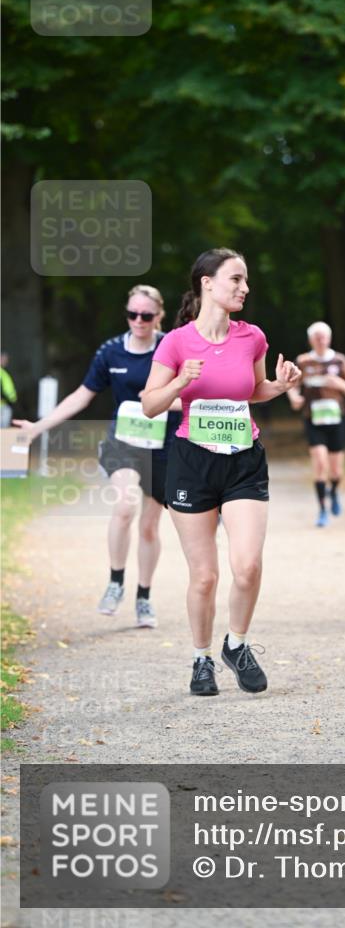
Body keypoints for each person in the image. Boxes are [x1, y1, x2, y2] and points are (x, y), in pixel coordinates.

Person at [142, 248, 300, 697]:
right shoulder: (175, 342)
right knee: (205, 576)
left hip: (243, 458)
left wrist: (282, 386)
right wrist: (178, 382)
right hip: (192, 461)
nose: (244, 288)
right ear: (207, 283)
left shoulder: (252, 338)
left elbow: (253, 391)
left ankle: (237, 643)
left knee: (247, 565)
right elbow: (150, 404)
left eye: (245, 280)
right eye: (235, 279)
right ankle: (201, 658)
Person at [13, 286, 179, 627]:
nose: (138, 321)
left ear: (159, 316)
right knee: (124, 505)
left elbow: (189, 394)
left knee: (149, 527)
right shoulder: (111, 351)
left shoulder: (171, 347)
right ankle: (115, 581)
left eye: (146, 316)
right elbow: (81, 396)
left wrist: (160, 405)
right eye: (132, 314)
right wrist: (39, 427)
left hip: (163, 446)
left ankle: (144, 598)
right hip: (124, 442)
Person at [287, 322, 345, 527]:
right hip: (313, 418)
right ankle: (322, 509)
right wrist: (294, 397)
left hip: (336, 418)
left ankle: (334, 490)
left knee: (336, 471)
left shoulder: (339, 360)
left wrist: (340, 384)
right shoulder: (303, 361)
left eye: (324, 336)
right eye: (317, 336)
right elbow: (292, 385)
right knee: (319, 464)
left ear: (330, 338)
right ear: (311, 339)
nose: (321, 340)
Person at [1, 352, 17, 428]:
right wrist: (11, 399)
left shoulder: (4, 372)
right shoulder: (2, 373)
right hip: (3, 405)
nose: (6, 361)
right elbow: (7, 391)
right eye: (4, 359)